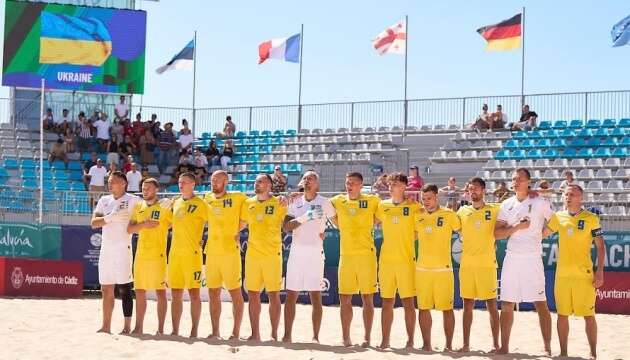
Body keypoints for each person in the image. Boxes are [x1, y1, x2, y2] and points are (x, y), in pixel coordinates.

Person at [494, 168, 553, 355]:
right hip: (512, 258)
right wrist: (517, 227)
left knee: (540, 303)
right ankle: (504, 346)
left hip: (532, 258)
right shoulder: (506, 204)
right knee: (507, 303)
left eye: (519, 179)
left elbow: (556, 222)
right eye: (513, 179)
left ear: (528, 182)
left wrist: (541, 235)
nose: (515, 182)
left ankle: (547, 347)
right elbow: (497, 233)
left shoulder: (540, 202)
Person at [542, 185, 605, 359]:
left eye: (572, 194)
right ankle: (563, 353)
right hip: (562, 276)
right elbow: (542, 234)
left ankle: (593, 353)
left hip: (584, 275)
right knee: (562, 315)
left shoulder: (592, 218)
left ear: (581, 198)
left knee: (588, 316)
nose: (568, 197)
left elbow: (600, 246)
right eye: (565, 194)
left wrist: (599, 271)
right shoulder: (558, 217)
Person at [282, 170, 336, 343]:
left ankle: (315, 337)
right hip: (296, 253)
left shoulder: (325, 202)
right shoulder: (295, 201)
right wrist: (306, 217)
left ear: (317, 184)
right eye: (305, 178)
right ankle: (287, 335)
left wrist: (324, 231)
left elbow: (338, 221)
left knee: (316, 296)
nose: (307, 181)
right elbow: (287, 227)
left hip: (315, 253)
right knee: (291, 295)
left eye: (311, 178)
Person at [330, 172, 380, 347]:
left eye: (352, 183)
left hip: (366, 256)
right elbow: (322, 207)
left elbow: (381, 217)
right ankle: (346, 337)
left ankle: (367, 338)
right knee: (345, 299)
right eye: (347, 183)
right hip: (347, 256)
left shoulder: (373, 201)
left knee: (368, 298)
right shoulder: (337, 201)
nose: (348, 186)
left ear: (361, 184)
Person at [375, 172, 421, 349]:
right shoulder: (382, 205)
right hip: (386, 261)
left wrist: (405, 240)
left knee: (408, 302)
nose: (390, 186)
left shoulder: (414, 207)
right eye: (389, 184)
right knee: (387, 302)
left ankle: (410, 340)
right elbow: (370, 220)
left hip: (406, 260)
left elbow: (418, 232)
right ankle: (385, 340)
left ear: (404, 186)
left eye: (394, 184)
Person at [239, 174, 288, 341]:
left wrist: (290, 197)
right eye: (255, 181)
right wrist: (233, 234)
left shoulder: (279, 203)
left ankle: (274, 334)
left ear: (269, 185)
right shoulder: (248, 203)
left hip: (272, 255)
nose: (256, 183)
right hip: (253, 255)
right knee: (252, 294)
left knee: (274, 294)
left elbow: (288, 224)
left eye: (260, 181)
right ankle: (255, 334)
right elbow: (241, 224)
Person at [90, 171, 140, 334]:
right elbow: (94, 223)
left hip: (123, 248)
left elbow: (140, 220)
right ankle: (106, 326)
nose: (110, 184)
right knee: (106, 288)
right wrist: (111, 217)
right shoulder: (104, 201)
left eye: (114, 181)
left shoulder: (134, 201)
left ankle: (127, 326)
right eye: (109, 181)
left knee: (124, 288)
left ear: (124, 183)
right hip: (106, 249)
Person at [415, 183, 461, 351]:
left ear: (436, 197)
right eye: (423, 199)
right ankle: (426, 344)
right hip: (422, 269)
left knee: (447, 309)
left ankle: (448, 345)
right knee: (423, 308)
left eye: (428, 198)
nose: (425, 202)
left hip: (443, 269)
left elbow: (463, 231)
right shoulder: (417, 215)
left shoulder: (449, 215)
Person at [456, 177, 500, 353]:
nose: (472, 191)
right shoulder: (462, 211)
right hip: (467, 265)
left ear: (483, 190)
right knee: (467, 304)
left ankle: (496, 344)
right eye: (470, 189)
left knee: (491, 305)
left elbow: (515, 208)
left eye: (475, 188)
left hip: (487, 264)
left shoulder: (495, 209)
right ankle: (466, 344)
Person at [163, 172, 210, 337]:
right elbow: (167, 225)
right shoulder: (175, 203)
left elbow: (215, 222)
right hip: (175, 254)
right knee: (175, 294)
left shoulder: (201, 204)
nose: (180, 184)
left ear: (193, 184)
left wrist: (206, 239)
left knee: (194, 294)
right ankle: (175, 330)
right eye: (179, 182)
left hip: (192, 255)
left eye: (184, 182)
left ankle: (194, 330)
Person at [203, 170, 247, 340]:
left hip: (230, 252)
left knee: (235, 293)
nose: (214, 183)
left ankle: (235, 332)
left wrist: (238, 229)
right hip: (212, 251)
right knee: (213, 293)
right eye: (212, 180)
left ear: (226, 181)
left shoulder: (238, 197)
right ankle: (215, 332)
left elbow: (253, 208)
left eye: (217, 180)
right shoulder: (207, 198)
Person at [127, 178, 172, 335]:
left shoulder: (165, 207)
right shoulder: (138, 206)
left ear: (156, 189)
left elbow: (178, 223)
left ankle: (160, 329)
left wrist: (172, 202)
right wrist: (144, 225)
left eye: (148, 188)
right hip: (141, 255)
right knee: (139, 291)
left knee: (160, 292)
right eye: (143, 188)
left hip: (158, 255)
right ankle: (138, 327)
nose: (145, 190)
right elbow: (130, 229)